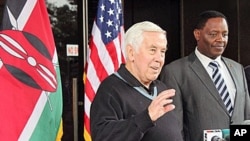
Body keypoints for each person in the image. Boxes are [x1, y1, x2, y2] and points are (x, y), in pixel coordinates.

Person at [160, 10, 250, 141]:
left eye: (225, 34)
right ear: (197, 34)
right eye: (213, 34)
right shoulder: (175, 72)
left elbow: (247, 116)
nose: (221, 39)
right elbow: (174, 127)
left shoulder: (237, 68)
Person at [90, 21, 183, 141]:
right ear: (131, 52)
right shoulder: (110, 90)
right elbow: (103, 136)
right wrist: (147, 118)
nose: (159, 59)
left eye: (162, 52)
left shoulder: (161, 88)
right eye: (152, 50)